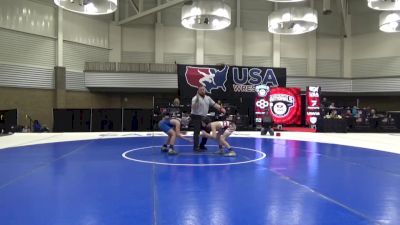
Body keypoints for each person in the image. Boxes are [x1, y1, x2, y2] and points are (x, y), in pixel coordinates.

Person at [191, 86, 225, 152]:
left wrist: (221, 109)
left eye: (203, 89)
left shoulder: (208, 98)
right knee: (197, 132)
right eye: (201, 90)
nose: (203, 91)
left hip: (204, 117)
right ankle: (196, 147)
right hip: (196, 116)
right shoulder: (195, 98)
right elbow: (193, 108)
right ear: (198, 91)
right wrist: (196, 103)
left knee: (208, 129)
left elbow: (214, 104)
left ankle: (202, 145)